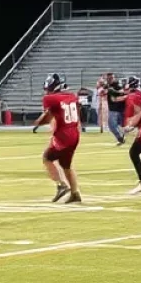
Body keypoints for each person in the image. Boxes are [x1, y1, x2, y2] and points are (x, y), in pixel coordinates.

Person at [32, 73, 83, 204]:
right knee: (66, 165)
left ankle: (61, 186)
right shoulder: (72, 96)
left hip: (63, 135)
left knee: (47, 158)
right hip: (74, 133)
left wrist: (37, 122)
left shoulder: (50, 98)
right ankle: (75, 193)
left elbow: (47, 118)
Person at [106, 75, 126, 145]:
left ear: (114, 78)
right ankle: (120, 138)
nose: (109, 79)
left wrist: (113, 91)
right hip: (114, 109)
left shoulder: (117, 85)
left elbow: (116, 96)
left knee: (114, 125)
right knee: (115, 126)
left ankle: (121, 138)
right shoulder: (109, 87)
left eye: (111, 78)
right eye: (108, 78)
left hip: (118, 109)